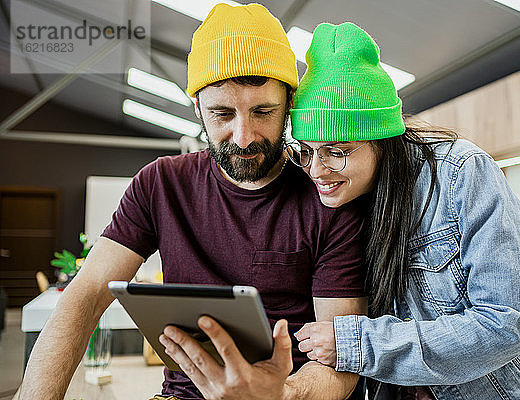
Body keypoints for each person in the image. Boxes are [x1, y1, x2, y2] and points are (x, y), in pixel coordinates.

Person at [19, 5, 368, 400]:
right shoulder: (161, 183)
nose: (243, 137)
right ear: (197, 107)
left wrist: (280, 394)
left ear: (289, 104)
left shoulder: (328, 196)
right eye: (222, 113)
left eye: (263, 111)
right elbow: (85, 295)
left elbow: (343, 363)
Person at [290, 22, 520, 399]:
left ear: (382, 141)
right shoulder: (347, 204)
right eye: (306, 151)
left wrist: (359, 343)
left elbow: (506, 322)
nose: (317, 170)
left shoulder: (462, 174)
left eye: (336, 151)